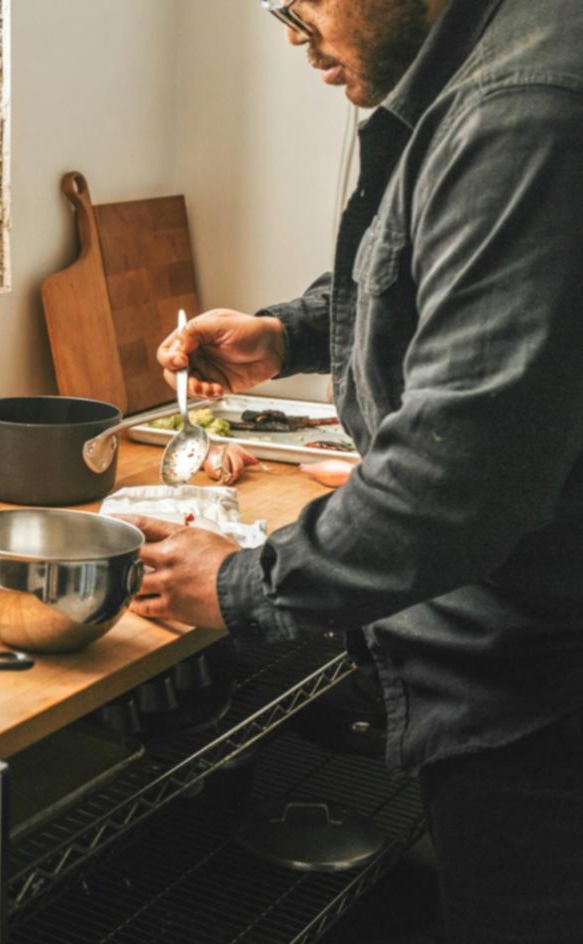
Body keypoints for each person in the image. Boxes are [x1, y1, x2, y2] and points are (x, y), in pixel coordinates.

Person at [120, 1, 583, 941]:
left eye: (300, 5)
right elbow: (439, 277)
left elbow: (461, 473)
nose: (292, 34)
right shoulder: (487, 72)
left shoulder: (521, 109)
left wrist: (243, 584)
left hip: (539, 686)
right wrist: (285, 332)